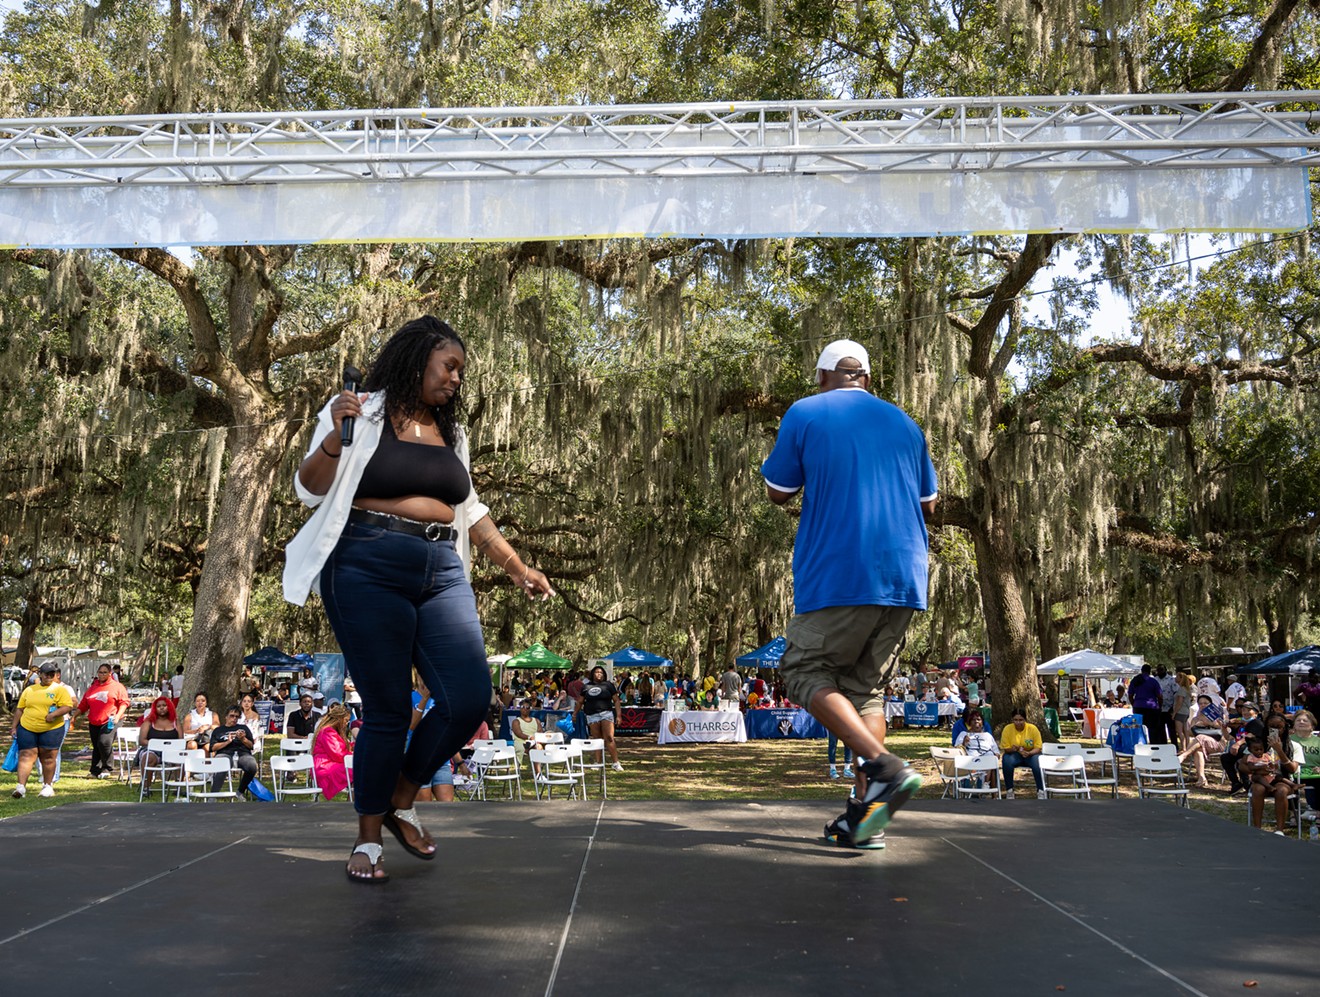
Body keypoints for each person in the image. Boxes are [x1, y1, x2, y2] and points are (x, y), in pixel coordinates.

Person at [283, 315, 554, 884]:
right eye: (448, 365)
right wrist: (336, 435)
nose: (457, 378)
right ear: (416, 360)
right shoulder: (359, 409)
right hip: (364, 561)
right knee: (386, 709)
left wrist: (515, 565)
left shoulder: (452, 433)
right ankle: (367, 839)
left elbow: (470, 509)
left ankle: (402, 797)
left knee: (469, 697)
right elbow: (308, 488)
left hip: (441, 568)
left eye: (461, 370)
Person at [761, 338, 934, 849]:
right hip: (905, 576)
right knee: (865, 692)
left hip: (841, 571)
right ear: (868, 379)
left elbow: (778, 491)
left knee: (802, 670)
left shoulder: (805, 411)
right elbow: (928, 502)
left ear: (821, 377)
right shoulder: (906, 423)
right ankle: (864, 817)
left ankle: (885, 768)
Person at [8, 662, 76, 799]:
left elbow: (68, 706)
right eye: (46, 674)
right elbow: (20, 709)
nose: (49, 677)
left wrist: (53, 715)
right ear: (40, 674)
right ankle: (21, 787)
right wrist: (14, 726)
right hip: (27, 727)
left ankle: (48, 786)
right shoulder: (30, 690)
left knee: (48, 757)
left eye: (52, 674)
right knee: (26, 755)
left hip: (51, 729)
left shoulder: (59, 690)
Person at [74, 663, 129, 779]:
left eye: (105, 672)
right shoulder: (93, 688)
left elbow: (124, 703)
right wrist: (74, 716)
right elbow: (84, 705)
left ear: (110, 674)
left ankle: (107, 768)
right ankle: (95, 770)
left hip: (111, 720)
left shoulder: (117, 687)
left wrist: (118, 716)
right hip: (94, 721)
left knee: (104, 742)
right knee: (97, 746)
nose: (102, 674)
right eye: (100, 672)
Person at [577, 665, 622, 771]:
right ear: (592, 674)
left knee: (609, 738)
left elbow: (616, 700)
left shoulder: (609, 685)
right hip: (592, 715)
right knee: (597, 739)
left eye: (601, 672)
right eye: (597, 672)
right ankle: (598, 762)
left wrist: (619, 715)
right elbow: (580, 701)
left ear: (604, 675)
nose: (599, 674)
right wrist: (575, 714)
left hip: (606, 713)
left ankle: (615, 763)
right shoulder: (586, 686)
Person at [207, 705, 259, 797]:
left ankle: (240, 792)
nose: (234, 718)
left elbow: (251, 746)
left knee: (252, 766)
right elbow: (212, 748)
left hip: (242, 753)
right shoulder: (218, 730)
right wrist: (227, 742)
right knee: (222, 764)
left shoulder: (244, 728)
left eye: (236, 717)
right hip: (225, 753)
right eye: (232, 716)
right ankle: (213, 795)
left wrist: (243, 739)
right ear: (226, 717)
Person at [136, 696, 182, 796]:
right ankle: (146, 787)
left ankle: (179, 787)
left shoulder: (176, 722)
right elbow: (142, 740)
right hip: (152, 750)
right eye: (158, 706)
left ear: (169, 707)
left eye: (164, 705)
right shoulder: (148, 722)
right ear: (154, 708)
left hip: (171, 751)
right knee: (148, 758)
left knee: (181, 758)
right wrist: (157, 744)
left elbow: (181, 741)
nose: (161, 708)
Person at [998, 708, 1045, 799]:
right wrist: (1013, 749)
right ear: (1012, 720)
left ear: (1025, 720)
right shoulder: (1007, 729)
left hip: (1031, 754)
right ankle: (1009, 790)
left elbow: (1038, 747)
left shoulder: (1032, 729)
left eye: (1021, 720)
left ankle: (1041, 790)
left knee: (1037, 761)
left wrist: (1029, 753)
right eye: (1015, 720)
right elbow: (1006, 748)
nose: (1018, 722)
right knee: (1006, 759)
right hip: (1015, 754)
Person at [312, 704, 355, 800]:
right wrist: (353, 755)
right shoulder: (328, 732)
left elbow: (342, 747)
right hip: (325, 766)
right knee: (357, 771)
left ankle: (352, 801)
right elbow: (338, 754)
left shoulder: (333, 731)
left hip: (330, 763)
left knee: (358, 771)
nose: (347, 723)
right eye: (346, 720)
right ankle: (351, 803)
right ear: (339, 719)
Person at [1128, 664, 1166, 745]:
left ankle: (1139, 745)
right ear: (1149, 671)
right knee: (1153, 730)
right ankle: (1154, 746)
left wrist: (1134, 704)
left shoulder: (1135, 680)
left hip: (1138, 707)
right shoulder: (1153, 681)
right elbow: (1160, 696)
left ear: (1141, 670)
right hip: (1151, 707)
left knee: (1138, 728)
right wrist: (1159, 706)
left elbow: (1130, 695)